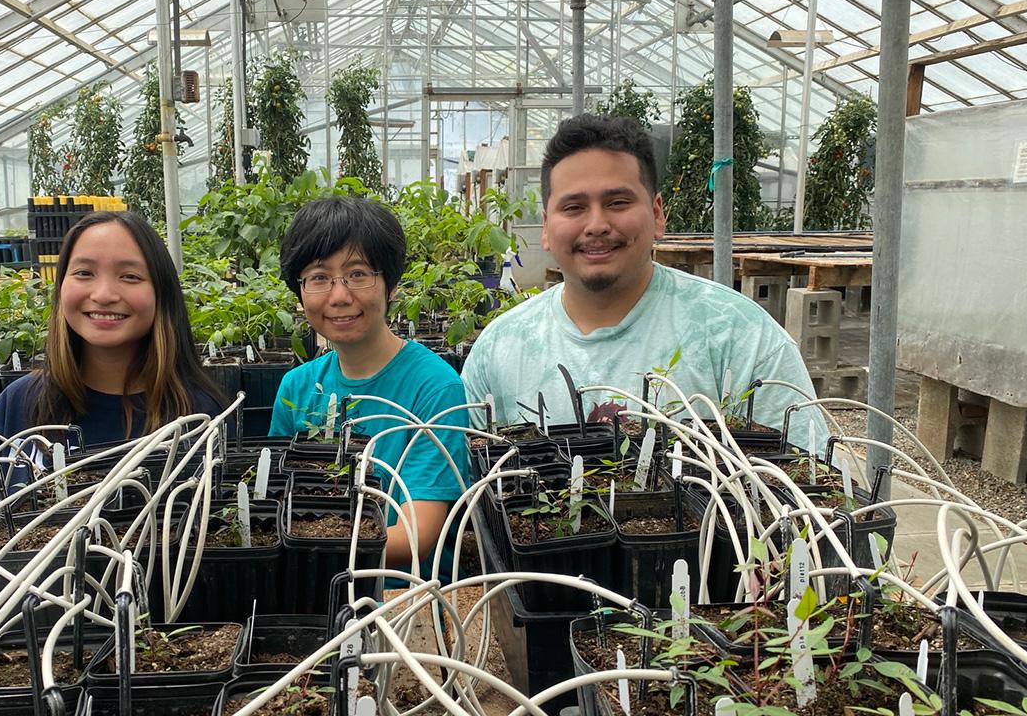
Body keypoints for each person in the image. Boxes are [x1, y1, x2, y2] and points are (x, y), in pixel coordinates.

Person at [461, 113, 828, 448]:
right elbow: (467, 497)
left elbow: (806, 485)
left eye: (618, 202)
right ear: (545, 227)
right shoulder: (501, 349)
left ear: (656, 215)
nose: (596, 225)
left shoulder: (738, 335)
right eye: (573, 207)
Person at [269, 196, 470, 581]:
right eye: (318, 277)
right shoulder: (296, 387)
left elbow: (415, 535)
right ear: (300, 291)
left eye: (358, 274)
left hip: (402, 595)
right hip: (314, 589)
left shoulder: (435, 387)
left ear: (390, 285)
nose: (339, 295)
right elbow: (279, 499)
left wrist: (305, 544)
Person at [0, 211, 224, 508]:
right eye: (84, 273)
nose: (104, 294)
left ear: (162, 293)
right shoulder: (18, 406)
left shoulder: (201, 414)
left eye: (130, 276)